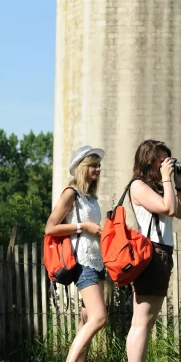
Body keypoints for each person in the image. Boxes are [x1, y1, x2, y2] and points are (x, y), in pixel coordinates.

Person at [126, 139, 181, 362]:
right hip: (152, 253)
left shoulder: (159, 187)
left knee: (145, 321)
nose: (167, 165)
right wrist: (166, 179)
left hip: (161, 254)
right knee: (142, 321)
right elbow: (168, 208)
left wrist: (178, 184)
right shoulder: (138, 186)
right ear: (149, 161)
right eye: (162, 160)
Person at [45, 145, 107, 362]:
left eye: (99, 165)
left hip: (98, 261)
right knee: (99, 318)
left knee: (87, 319)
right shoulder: (71, 194)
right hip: (82, 262)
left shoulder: (91, 197)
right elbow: (50, 227)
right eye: (93, 165)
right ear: (82, 168)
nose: (98, 169)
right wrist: (84, 227)